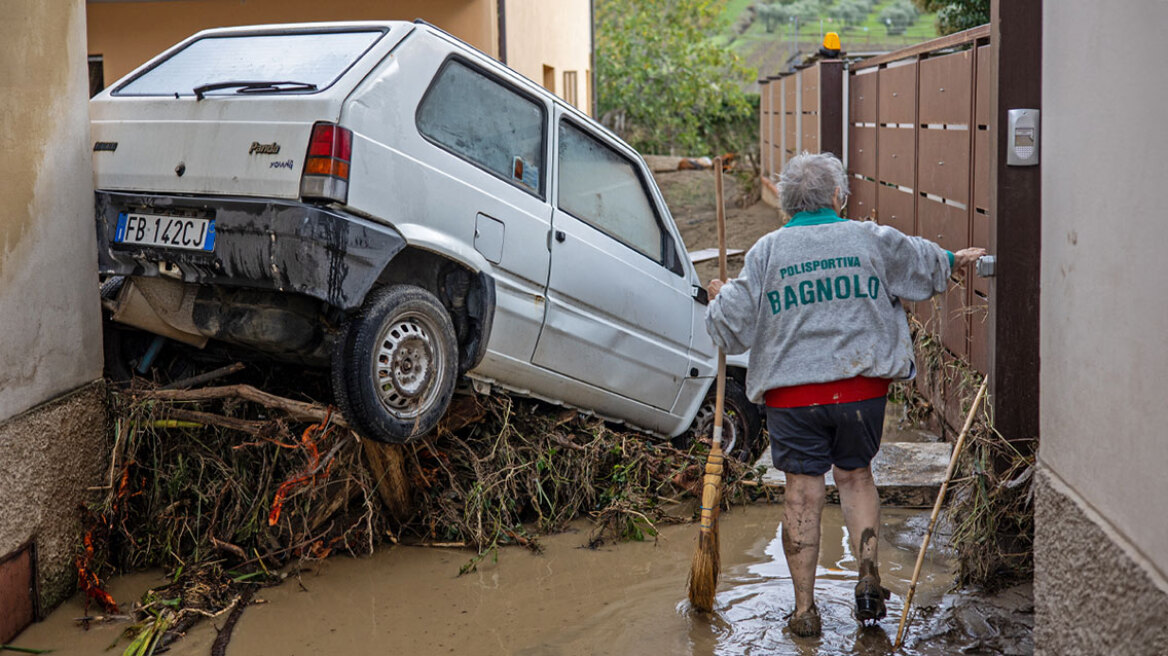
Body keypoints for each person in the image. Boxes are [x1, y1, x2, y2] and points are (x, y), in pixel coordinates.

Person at [705, 152, 985, 638]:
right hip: (861, 391)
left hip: (792, 398)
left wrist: (717, 298)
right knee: (855, 477)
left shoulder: (766, 252)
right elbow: (923, 263)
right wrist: (953, 260)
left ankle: (804, 611)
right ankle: (867, 575)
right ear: (837, 197)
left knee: (802, 491)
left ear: (787, 204)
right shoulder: (868, 238)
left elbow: (729, 328)